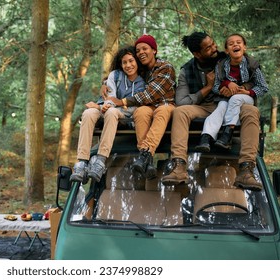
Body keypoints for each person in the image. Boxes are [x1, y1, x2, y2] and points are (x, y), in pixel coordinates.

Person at [161, 31, 264, 191]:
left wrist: (240, 88)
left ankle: (246, 169)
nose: (214, 48)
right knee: (180, 112)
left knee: (251, 110)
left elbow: (253, 78)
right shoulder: (186, 70)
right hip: (205, 107)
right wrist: (208, 87)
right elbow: (181, 102)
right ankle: (179, 166)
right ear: (197, 53)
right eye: (208, 48)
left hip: (231, 105)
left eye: (213, 43)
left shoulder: (228, 57)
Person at [70, 46, 146, 183]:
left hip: (124, 115)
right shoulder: (115, 75)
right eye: (124, 62)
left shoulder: (142, 82)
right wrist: (101, 106)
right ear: (120, 64)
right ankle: (82, 162)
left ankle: (101, 160)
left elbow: (134, 107)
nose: (128, 65)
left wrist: (105, 106)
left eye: (131, 61)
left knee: (111, 112)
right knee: (88, 113)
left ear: (137, 61)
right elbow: (110, 96)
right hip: (106, 107)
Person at [105, 34, 176, 179]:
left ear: (154, 50)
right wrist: (105, 83)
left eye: (145, 48)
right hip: (148, 106)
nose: (141, 52)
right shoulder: (142, 69)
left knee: (161, 110)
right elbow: (125, 73)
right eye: (138, 50)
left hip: (165, 104)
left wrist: (123, 101)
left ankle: (145, 153)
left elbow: (151, 95)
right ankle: (147, 161)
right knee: (141, 112)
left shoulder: (165, 67)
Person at [195, 33, 268, 152]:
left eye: (239, 42)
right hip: (226, 99)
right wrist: (226, 85)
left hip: (246, 97)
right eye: (231, 43)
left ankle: (227, 135)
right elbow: (215, 86)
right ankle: (206, 138)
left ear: (244, 47)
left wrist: (247, 92)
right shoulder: (221, 65)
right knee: (221, 106)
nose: (235, 45)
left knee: (236, 98)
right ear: (227, 50)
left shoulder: (252, 64)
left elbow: (263, 87)